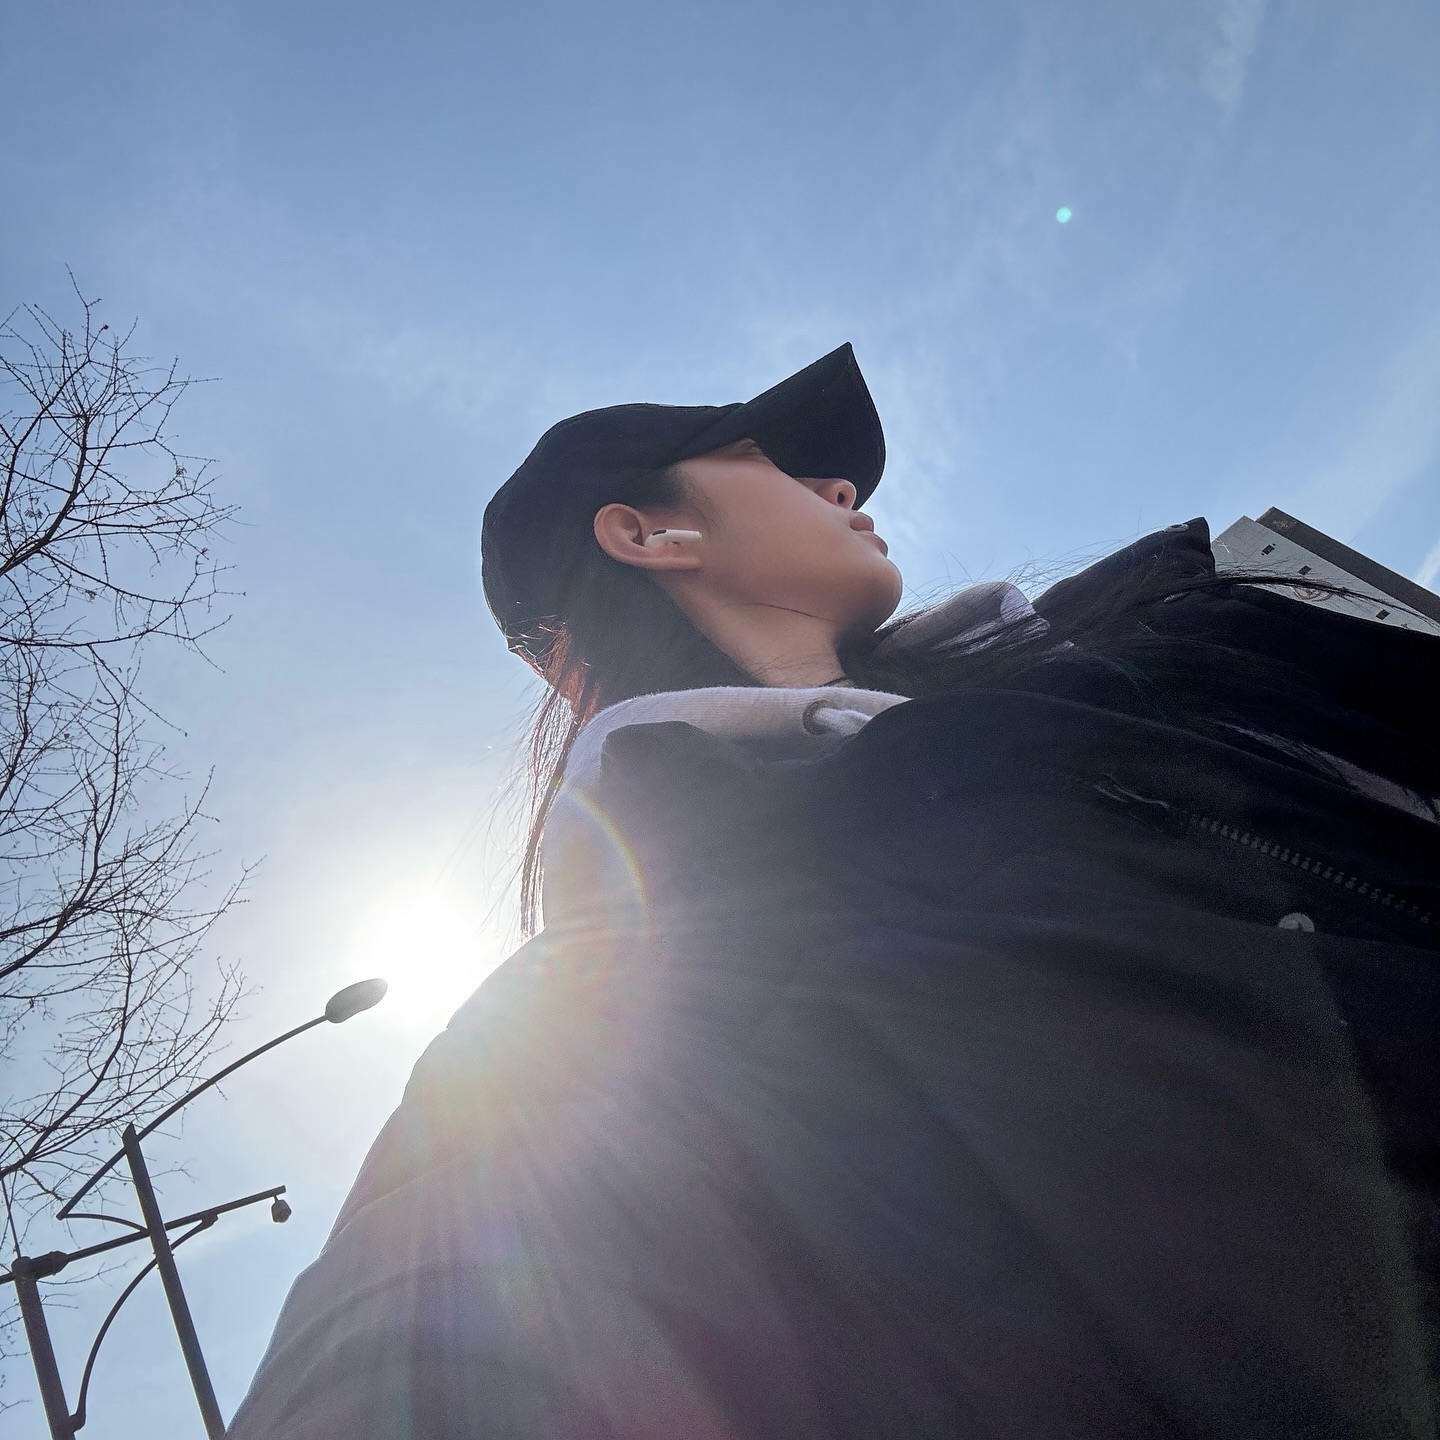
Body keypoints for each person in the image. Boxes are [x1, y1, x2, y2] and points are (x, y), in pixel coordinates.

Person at [228, 344, 1440, 1439]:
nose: (845, 486)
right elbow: (425, 1342)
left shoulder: (1181, 636)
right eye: (768, 461)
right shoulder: (613, 991)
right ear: (649, 536)